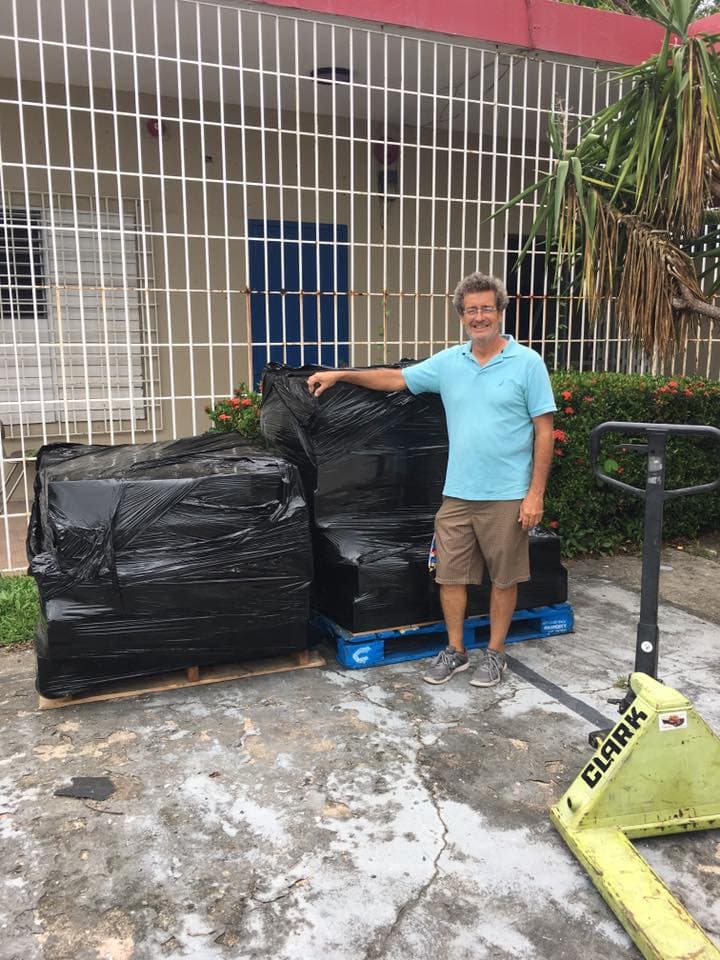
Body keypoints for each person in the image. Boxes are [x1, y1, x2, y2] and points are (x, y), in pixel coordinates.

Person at [306, 271, 556, 688]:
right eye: (471, 310)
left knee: (505, 578)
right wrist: (341, 375)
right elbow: (395, 379)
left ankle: (495, 655)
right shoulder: (450, 363)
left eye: (486, 309)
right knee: (449, 575)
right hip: (457, 494)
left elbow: (544, 429)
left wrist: (535, 495)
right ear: (462, 316)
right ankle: (456, 650)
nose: (479, 317)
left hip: (508, 495)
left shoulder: (527, 363)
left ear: (500, 312)